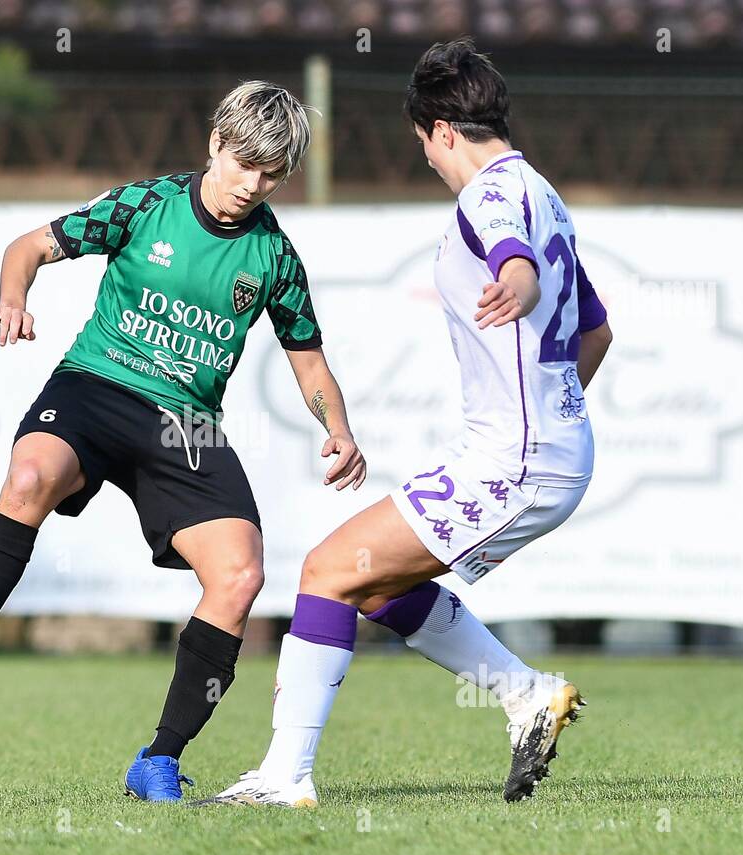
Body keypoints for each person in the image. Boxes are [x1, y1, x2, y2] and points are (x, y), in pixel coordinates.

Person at [0, 81, 368, 801]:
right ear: (216, 144)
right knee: (30, 477)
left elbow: (307, 358)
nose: (252, 185)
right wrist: (14, 295)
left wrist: (338, 429)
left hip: (183, 421)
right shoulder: (146, 204)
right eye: (243, 162)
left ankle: (158, 757)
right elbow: (29, 245)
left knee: (240, 575)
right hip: (97, 385)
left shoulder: (274, 259)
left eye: (272, 173)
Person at [209, 38, 614, 807]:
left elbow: (515, 263)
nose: (427, 159)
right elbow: (597, 331)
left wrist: (517, 289)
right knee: (369, 583)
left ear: (442, 132)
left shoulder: (490, 195)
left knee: (326, 570)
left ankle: (283, 778)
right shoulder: (545, 194)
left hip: (517, 461)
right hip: (532, 453)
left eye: (423, 143)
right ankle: (525, 694)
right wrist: (555, 418)